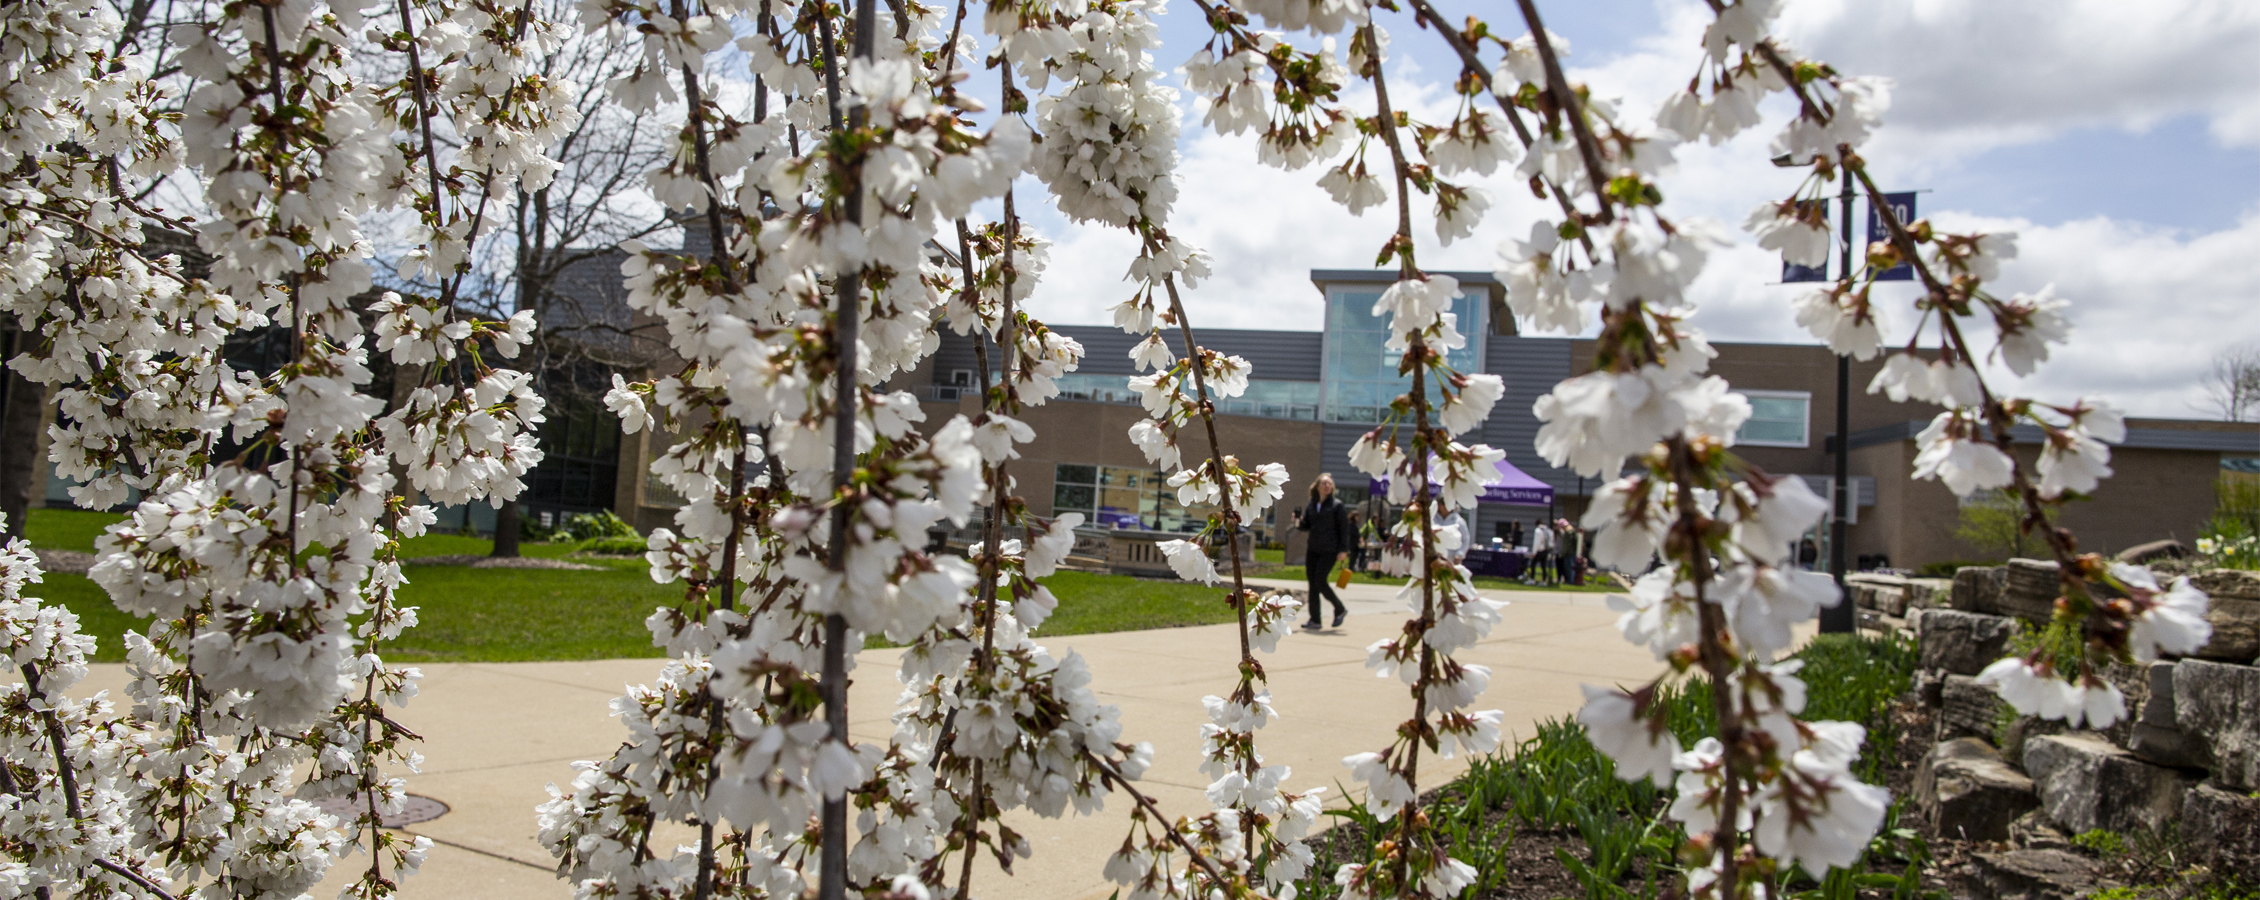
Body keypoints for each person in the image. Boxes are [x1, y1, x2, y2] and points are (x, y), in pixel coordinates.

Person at [1294, 473, 1351, 629]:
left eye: (1329, 484)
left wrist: (1343, 550)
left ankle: (1339, 608)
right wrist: (1297, 521)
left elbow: (1344, 529)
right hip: (1313, 549)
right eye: (1324, 483)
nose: (1327, 486)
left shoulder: (1336, 505)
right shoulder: (1312, 504)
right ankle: (1315, 620)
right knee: (1312, 584)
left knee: (1320, 581)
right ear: (1317, 486)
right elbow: (1306, 525)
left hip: (1330, 549)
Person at [1529, 519, 1555, 585]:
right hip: (1546, 550)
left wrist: (1534, 552)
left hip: (1539, 550)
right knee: (1543, 566)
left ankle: (1532, 579)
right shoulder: (1548, 530)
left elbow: (1536, 542)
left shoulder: (1538, 531)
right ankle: (1544, 581)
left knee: (1533, 564)